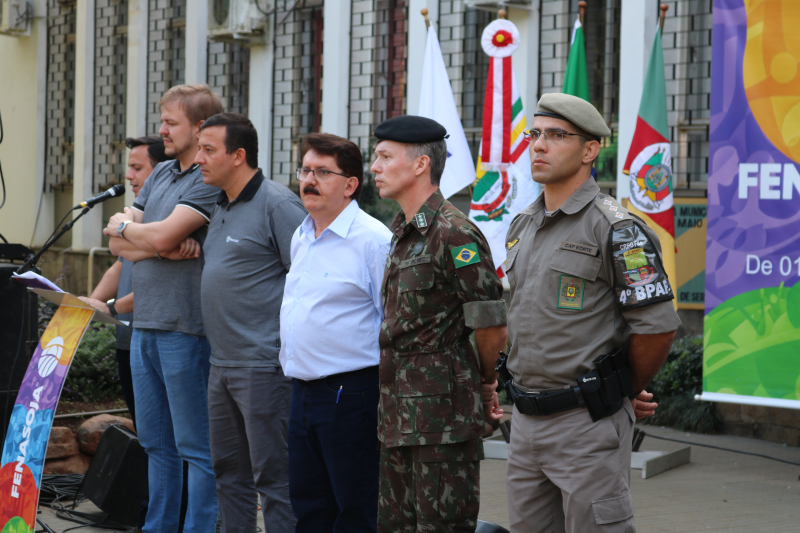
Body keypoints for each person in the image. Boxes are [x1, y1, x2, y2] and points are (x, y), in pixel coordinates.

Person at [501, 93, 680, 533]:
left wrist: (619, 390)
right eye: (535, 134)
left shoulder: (617, 229)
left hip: (585, 426)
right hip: (524, 425)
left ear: (589, 150)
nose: (539, 146)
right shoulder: (523, 223)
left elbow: (656, 329)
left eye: (556, 135)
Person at [370, 115, 508, 532]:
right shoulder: (403, 231)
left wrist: (486, 384)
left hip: (442, 423)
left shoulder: (454, 232)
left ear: (419, 165)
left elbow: (489, 324)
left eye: (384, 157)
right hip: (397, 417)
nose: (374, 166)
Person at [104, 84, 224, 533]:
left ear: (199, 127)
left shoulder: (205, 180)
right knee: (156, 444)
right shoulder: (162, 173)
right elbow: (117, 237)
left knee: (196, 447)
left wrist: (146, 236)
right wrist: (162, 247)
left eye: (170, 122)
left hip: (185, 330)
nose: (161, 130)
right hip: (144, 328)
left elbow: (141, 235)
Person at [196, 113, 306, 532]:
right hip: (221, 363)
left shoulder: (277, 204)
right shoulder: (219, 202)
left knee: (275, 478)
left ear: (238, 155)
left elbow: (307, 279)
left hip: (264, 366)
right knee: (229, 474)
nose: (199, 159)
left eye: (209, 150)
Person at [279, 132, 392, 532]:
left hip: (351, 393)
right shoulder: (302, 234)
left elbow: (391, 322)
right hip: (302, 390)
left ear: (349, 185)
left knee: (354, 505)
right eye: (306, 170)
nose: (309, 179)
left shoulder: (373, 241)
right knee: (308, 503)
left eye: (323, 172)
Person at [80, 136, 177, 426]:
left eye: (137, 167)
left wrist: (111, 306)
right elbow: (118, 260)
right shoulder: (135, 215)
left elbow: (161, 283)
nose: (128, 176)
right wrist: (91, 304)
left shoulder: (174, 218)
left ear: (161, 171)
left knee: (169, 432)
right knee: (146, 431)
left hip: (159, 332)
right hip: (127, 339)